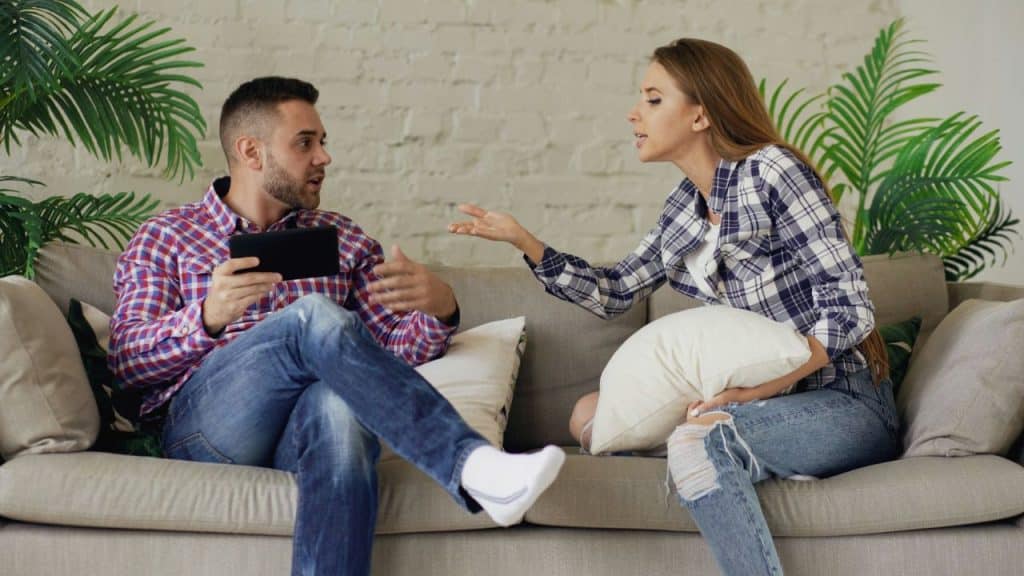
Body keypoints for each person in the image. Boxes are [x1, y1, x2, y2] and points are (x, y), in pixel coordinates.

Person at [449, 39, 900, 575]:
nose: (634, 113)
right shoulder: (683, 209)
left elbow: (850, 304)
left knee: (699, 440)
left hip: (841, 401)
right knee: (589, 416)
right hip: (750, 405)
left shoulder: (774, 173)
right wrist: (530, 245)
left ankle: (720, 466)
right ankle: (734, 459)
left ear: (701, 113)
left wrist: (755, 392)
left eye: (654, 99)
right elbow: (616, 290)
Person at [108, 76, 565, 576]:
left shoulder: (345, 241)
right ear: (251, 151)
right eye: (305, 143)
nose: (324, 157)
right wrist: (206, 318)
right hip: (205, 430)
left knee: (339, 407)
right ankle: (469, 465)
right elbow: (127, 364)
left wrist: (440, 311)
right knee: (312, 316)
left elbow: (387, 358)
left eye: (322, 142)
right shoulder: (167, 236)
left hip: (300, 433)